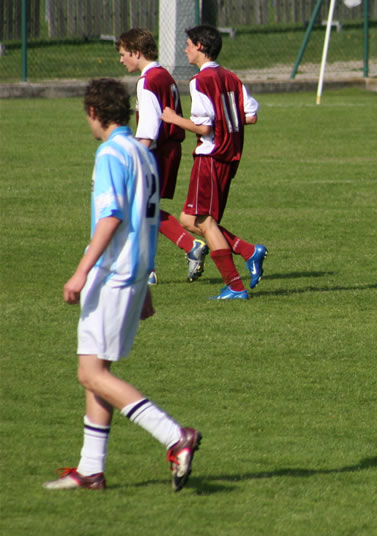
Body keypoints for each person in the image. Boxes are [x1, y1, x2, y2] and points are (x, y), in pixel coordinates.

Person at [43, 79, 200, 492]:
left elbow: (112, 217)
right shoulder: (143, 154)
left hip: (112, 275)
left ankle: (174, 436)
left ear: (93, 114)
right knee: (96, 370)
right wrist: (145, 283)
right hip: (133, 273)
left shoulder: (110, 152)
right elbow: (145, 221)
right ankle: (91, 470)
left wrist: (80, 271)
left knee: (91, 372)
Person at [161, 25, 267, 300]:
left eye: (188, 44)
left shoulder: (199, 81)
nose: (185, 49)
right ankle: (247, 250)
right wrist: (225, 119)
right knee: (188, 218)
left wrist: (173, 119)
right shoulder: (231, 77)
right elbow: (251, 115)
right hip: (229, 158)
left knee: (205, 223)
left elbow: (203, 127)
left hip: (210, 156)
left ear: (200, 46)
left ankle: (235, 285)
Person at [116, 28, 209, 284]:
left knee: (141, 208)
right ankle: (150, 269)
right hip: (169, 150)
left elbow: (148, 129)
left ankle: (183, 249)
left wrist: (130, 158)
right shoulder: (163, 74)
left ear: (136, 52)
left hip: (155, 152)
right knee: (144, 208)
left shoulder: (147, 81)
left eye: (124, 54)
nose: (122, 59)